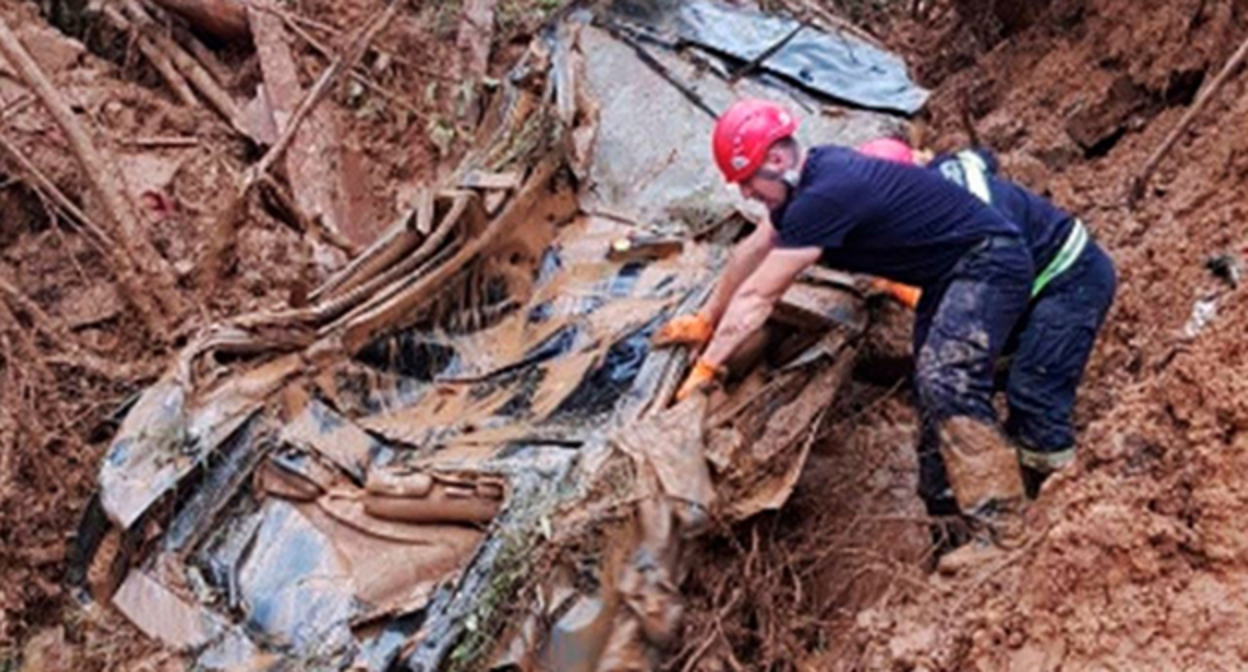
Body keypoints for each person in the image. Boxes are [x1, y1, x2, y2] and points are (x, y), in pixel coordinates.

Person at [652, 99, 1039, 543]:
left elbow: (761, 294)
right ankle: (948, 522)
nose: (745, 194)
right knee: (927, 385)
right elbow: (749, 254)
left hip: (987, 263)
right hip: (950, 273)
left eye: (747, 181)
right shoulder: (809, 179)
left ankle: (1004, 531)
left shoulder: (826, 194)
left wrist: (708, 367)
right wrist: (707, 318)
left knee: (946, 379)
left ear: (776, 160)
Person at [853, 138, 1117, 500]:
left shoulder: (963, 219)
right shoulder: (941, 181)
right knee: (937, 385)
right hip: (1013, 284)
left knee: (1034, 391)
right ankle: (949, 503)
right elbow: (980, 158)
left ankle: (1053, 501)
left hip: (1069, 277)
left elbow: (991, 285)